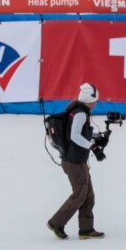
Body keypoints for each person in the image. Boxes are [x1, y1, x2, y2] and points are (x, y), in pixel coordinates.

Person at [47, 83, 107, 240]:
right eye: (95, 99)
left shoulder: (79, 111)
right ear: (89, 99)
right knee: (80, 195)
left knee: (88, 195)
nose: (96, 103)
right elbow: (75, 136)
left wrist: (97, 139)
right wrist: (92, 146)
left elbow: (79, 134)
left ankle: (86, 229)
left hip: (77, 160)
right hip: (74, 162)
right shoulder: (80, 113)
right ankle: (56, 222)